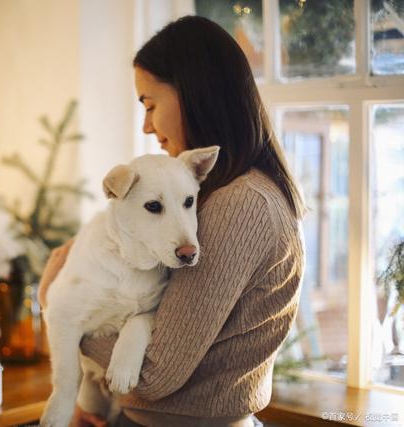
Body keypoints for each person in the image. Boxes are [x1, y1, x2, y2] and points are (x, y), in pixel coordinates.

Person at [39, 15, 305, 427]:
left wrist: (58, 302)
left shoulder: (240, 206)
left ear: (193, 93)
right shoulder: (234, 191)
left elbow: (154, 374)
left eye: (150, 104)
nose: (147, 126)